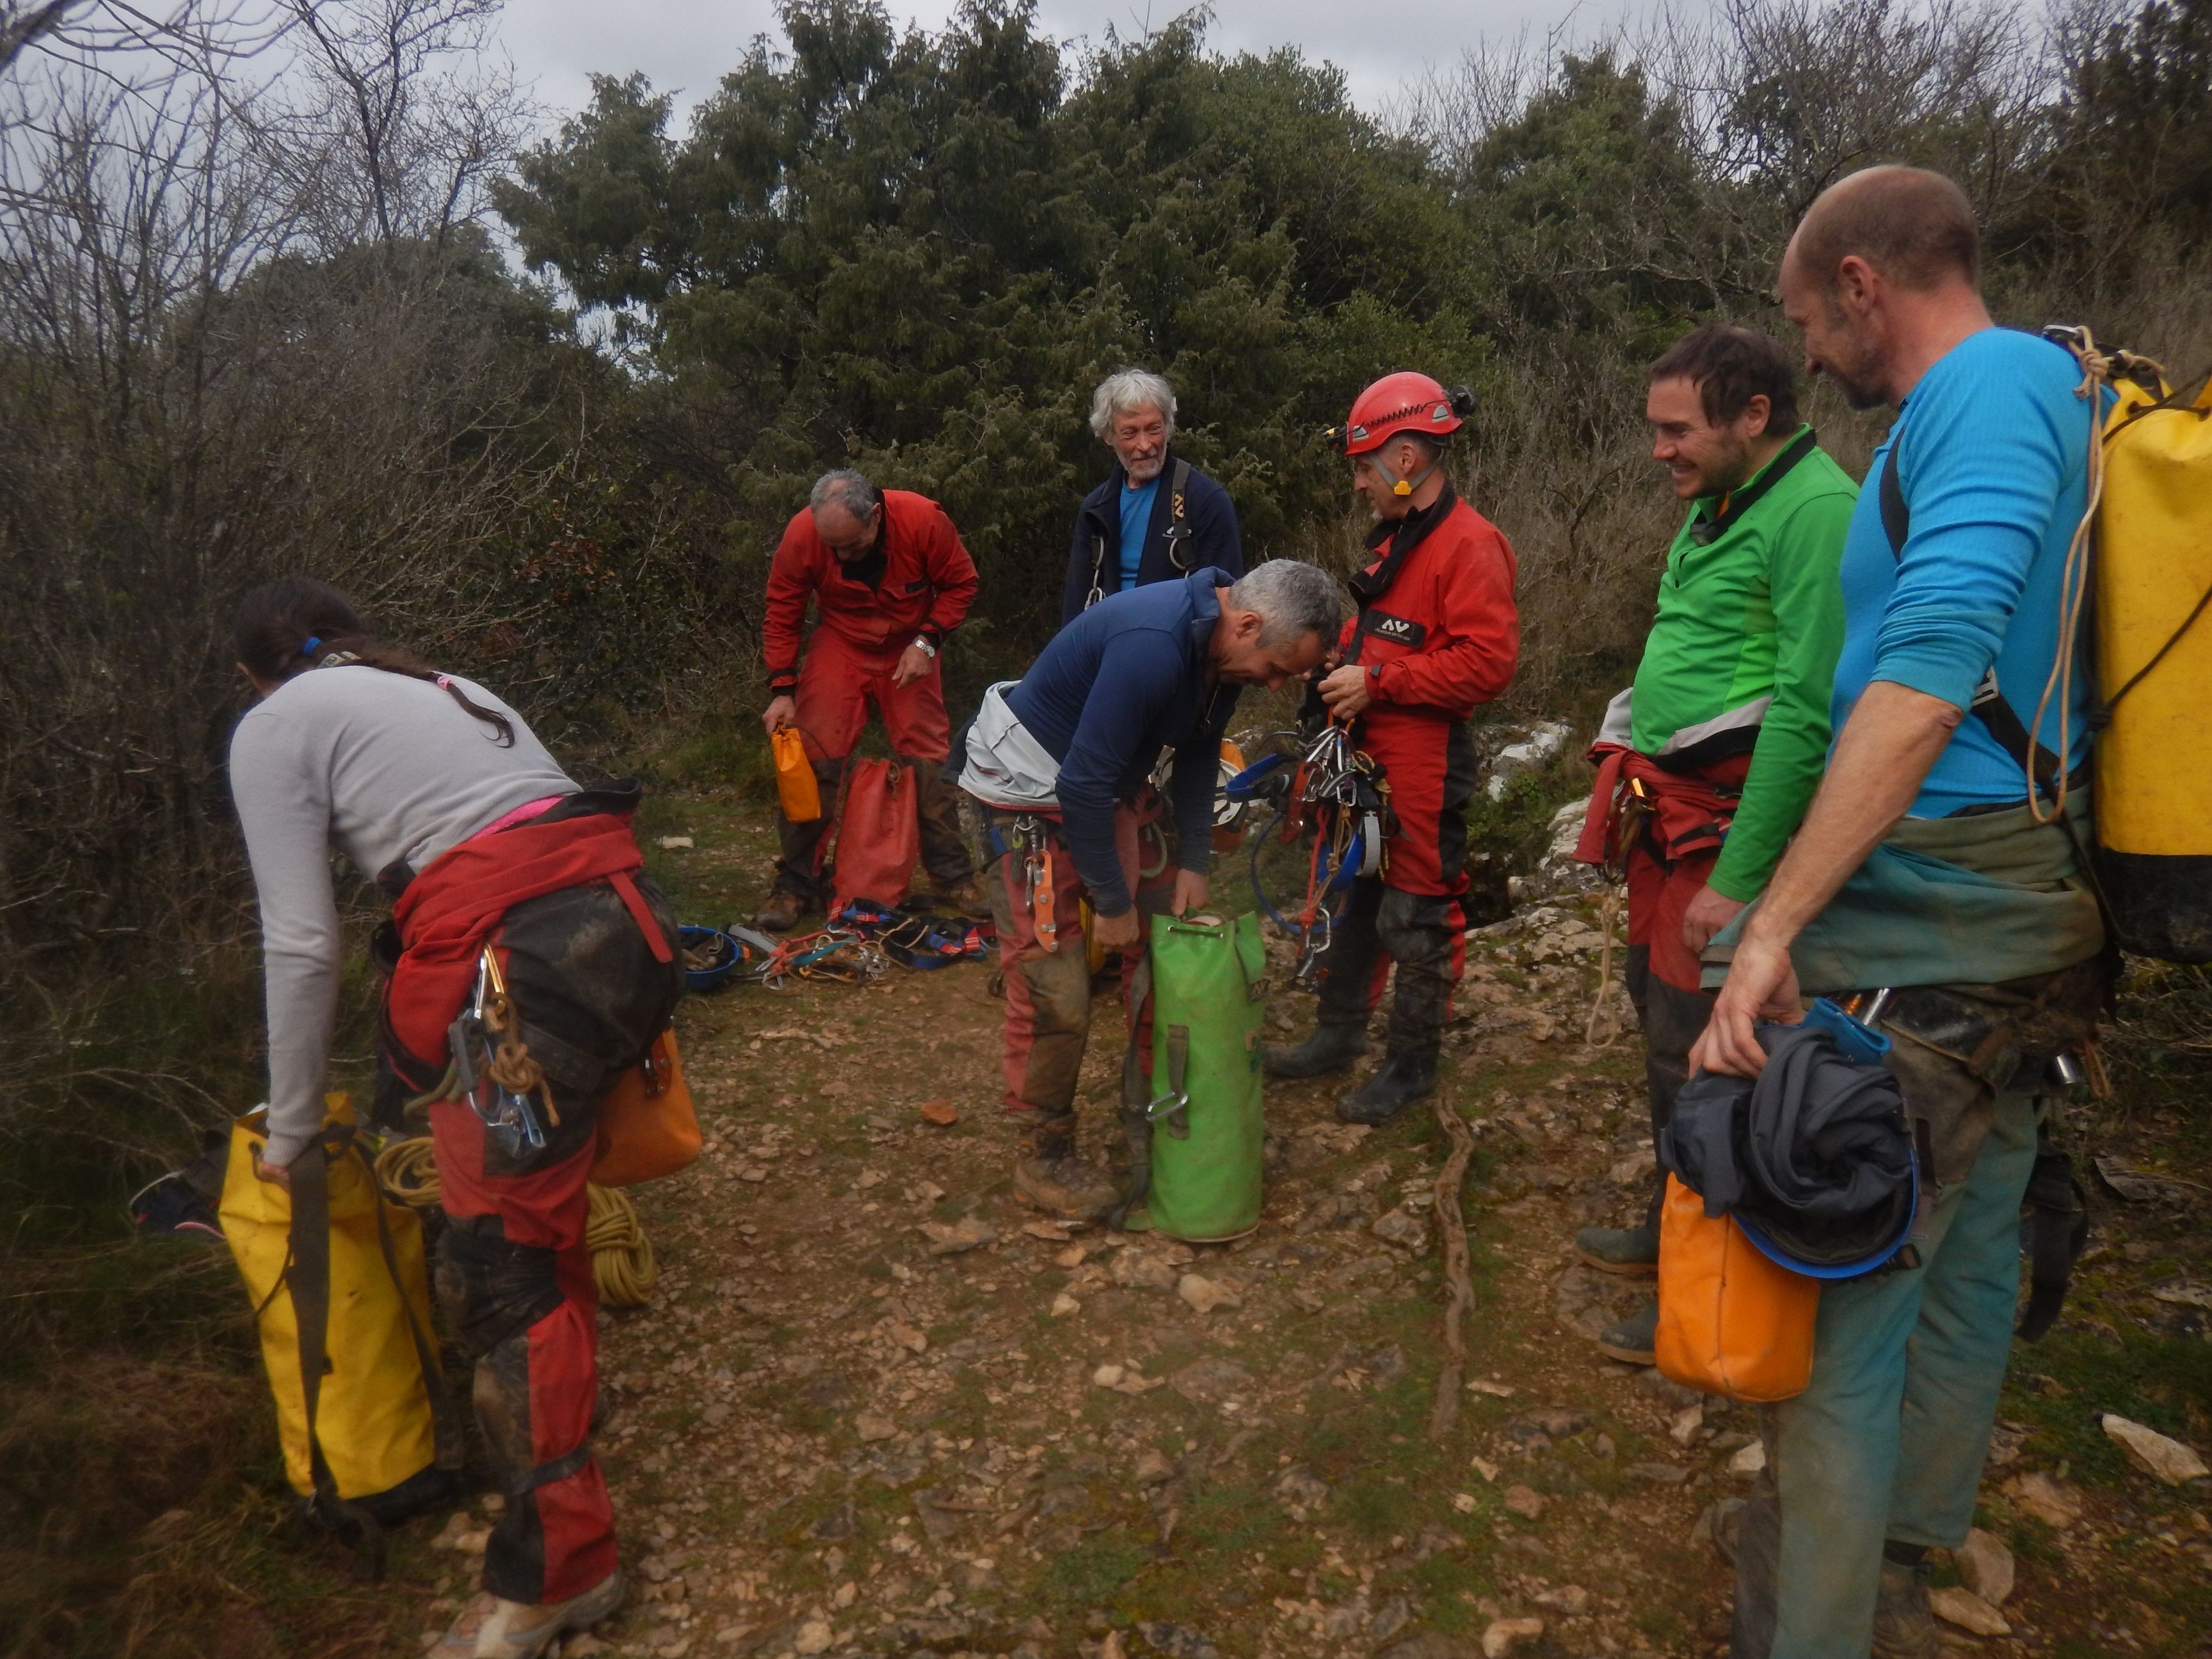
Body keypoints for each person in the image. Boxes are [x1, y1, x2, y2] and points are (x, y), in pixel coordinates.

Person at [1694, 167, 2110, 1658]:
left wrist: (1770, 923)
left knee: (1844, 1273)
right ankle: (1909, 1541)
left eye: (1808, 317)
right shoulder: (2032, 388)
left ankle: (1808, 1621)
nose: (1806, 351)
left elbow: (1930, 660)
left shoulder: (1986, 383)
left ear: (1862, 284)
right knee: (1977, 1224)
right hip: (2020, 911)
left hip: (1942, 915)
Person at [229, 579, 677, 1659]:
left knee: (502, 1271)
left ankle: (564, 1570)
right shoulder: (447, 687)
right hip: (624, 931)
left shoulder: (272, 724)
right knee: (534, 1218)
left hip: (517, 974)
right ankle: (560, 1421)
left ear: (257, 673)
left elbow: (299, 944)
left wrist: (288, 1133)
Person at [1569, 326, 1857, 1366]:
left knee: (1709, 1056)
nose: (1659, 451)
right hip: (1668, 815)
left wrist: (1741, 885)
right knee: (1660, 1026)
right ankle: (1668, 1230)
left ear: (1752, 416)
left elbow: (1804, 709)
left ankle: (1705, 1286)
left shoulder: (1813, 510)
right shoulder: (1718, 499)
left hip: (1727, 837)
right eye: (1655, 430)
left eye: (1675, 430)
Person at [961, 560, 1339, 1219]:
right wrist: (1110, 901)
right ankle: (1043, 1154)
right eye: (1278, 668)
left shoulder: (1221, 652)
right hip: (1029, 799)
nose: (1277, 685)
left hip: (1105, 786)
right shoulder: (1153, 645)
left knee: (1174, 948)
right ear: (1247, 624)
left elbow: (1199, 750)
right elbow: (1080, 783)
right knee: (1060, 994)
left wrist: (1193, 858)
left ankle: (1155, 1113)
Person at [1265, 373, 1519, 1124]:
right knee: (1358, 898)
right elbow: (1381, 635)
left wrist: (1378, 682)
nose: (1357, 484)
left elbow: (1488, 664)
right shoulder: (1399, 539)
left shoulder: (1470, 547)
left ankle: (1411, 1067)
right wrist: (1327, 664)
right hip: (1370, 760)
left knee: (1416, 913)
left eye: (1363, 466)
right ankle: (1338, 1036)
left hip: (1427, 766)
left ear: (1406, 457)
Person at [754, 469, 986, 931]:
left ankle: (953, 876)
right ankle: (797, 883)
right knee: (813, 757)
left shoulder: (923, 521)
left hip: (909, 645)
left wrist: (927, 643)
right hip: (841, 642)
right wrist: (782, 689)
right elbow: (784, 606)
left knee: (930, 761)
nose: (840, 555)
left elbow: (962, 585)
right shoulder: (805, 533)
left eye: (851, 545)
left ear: (876, 516)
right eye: (832, 546)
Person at [1060, 368, 1244, 624]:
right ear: (1108, 438)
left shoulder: (1206, 502)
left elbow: (1228, 606)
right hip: (1109, 652)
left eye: (1153, 429)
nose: (1145, 445)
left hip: (1178, 656)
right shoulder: (1096, 509)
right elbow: (1075, 608)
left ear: (1168, 428)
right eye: (1130, 433)